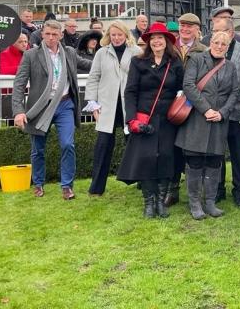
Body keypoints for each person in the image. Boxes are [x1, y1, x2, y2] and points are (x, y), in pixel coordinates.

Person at [12, 20, 92, 200]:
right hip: (40, 107)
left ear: (61, 36)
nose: (50, 38)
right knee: (38, 149)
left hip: (65, 105)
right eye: (47, 34)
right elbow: (19, 84)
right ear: (42, 34)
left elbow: (88, 64)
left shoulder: (69, 52)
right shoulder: (31, 55)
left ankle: (67, 186)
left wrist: (110, 60)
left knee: (68, 145)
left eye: (54, 34)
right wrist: (18, 111)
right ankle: (38, 184)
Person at [116, 22, 184, 218]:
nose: (156, 41)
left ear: (166, 41)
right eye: (153, 38)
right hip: (144, 119)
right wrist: (131, 119)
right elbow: (130, 92)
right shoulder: (138, 62)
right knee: (146, 160)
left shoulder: (175, 62)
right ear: (148, 42)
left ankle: (161, 202)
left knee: (165, 159)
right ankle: (149, 202)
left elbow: (182, 88)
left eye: (160, 38)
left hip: (168, 120)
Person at [176, 30, 238, 220]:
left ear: (228, 47)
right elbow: (188, 85)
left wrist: (222, 113)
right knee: (194, 162)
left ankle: (210, 202)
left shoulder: (230, 66)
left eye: (223, 44)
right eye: (216, 42)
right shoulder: (196, 59)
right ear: (210, 42)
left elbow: (235, 92)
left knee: (214, 162)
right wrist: (206, 109)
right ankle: (195, 203)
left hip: (218, 121)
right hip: (197, 118)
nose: (219, 46)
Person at [84, 21, 140, 196]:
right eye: (113, 35)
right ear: (109, 35)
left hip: (129, 105)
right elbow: (93, 77)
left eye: (119, 35)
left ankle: (141, 181)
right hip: (107, 106)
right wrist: (92, 102)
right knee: (103, 146)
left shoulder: (137, 52)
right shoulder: (102, 53)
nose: (116, 38)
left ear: (126, 35)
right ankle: (96, 187)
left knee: (135, 144)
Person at [211, 18, 240, 206]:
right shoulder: (210, 50)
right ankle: (218, 188)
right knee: (217, 153)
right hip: (216, 112)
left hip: (238, 111)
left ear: (230, 32)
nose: (215, 34)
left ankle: (239, 189)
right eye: (213, 31)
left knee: (238, 154)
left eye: (218, 30)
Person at [163, 12, 207, 207]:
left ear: (197, 29)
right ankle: (172, 189)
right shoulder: (169, 48)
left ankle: (195, 191)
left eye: (190, 26)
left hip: (193, 105)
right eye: (182, 25)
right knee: (171, 148)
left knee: (192, 150)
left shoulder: (204, 51)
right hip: (170, 104)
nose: (185, 29)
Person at [0, 34, 29, 125]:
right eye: (20, 42)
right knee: (12, 121)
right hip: (10, 93)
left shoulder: (31, 54)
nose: (24, 44)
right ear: (13, 42)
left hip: (29, 92)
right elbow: (3, 71)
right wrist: (24, 68)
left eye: (26, 41)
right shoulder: (4, 54)